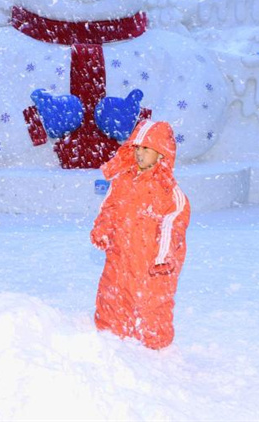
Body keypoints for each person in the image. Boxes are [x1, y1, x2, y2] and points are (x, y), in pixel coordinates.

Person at [90, 119, 190, 349]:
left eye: (146, 148)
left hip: (152, 262)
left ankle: (156, 346)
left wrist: (164, 255)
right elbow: (110, 208)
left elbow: (173, 223)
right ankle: (110, 336)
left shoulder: (168, 192)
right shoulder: (123, 181)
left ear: (161, 154)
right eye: (136, 148)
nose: (139, 154)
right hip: (120, 254)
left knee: (152, 301)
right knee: (113, 293)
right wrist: (103, 230)